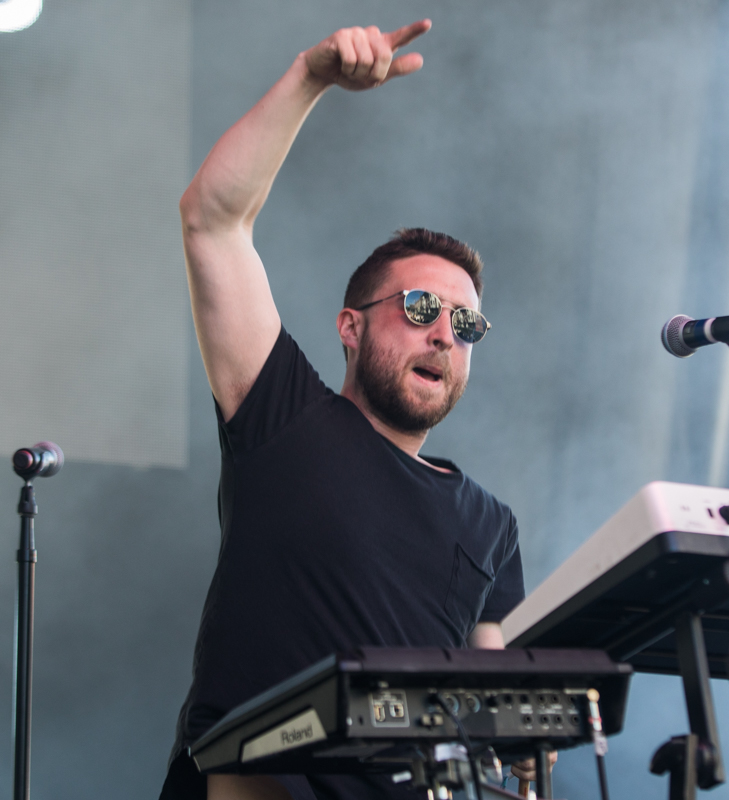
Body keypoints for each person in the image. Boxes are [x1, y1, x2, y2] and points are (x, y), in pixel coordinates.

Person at [159, 20, 545, 800]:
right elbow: (212, 221)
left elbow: (502, 714)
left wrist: (526, 739)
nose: (445, 333)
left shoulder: (492, 524)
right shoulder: (284, 416)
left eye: (466, 324)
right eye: (420, 306)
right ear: (350, 326)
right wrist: (310, 79)